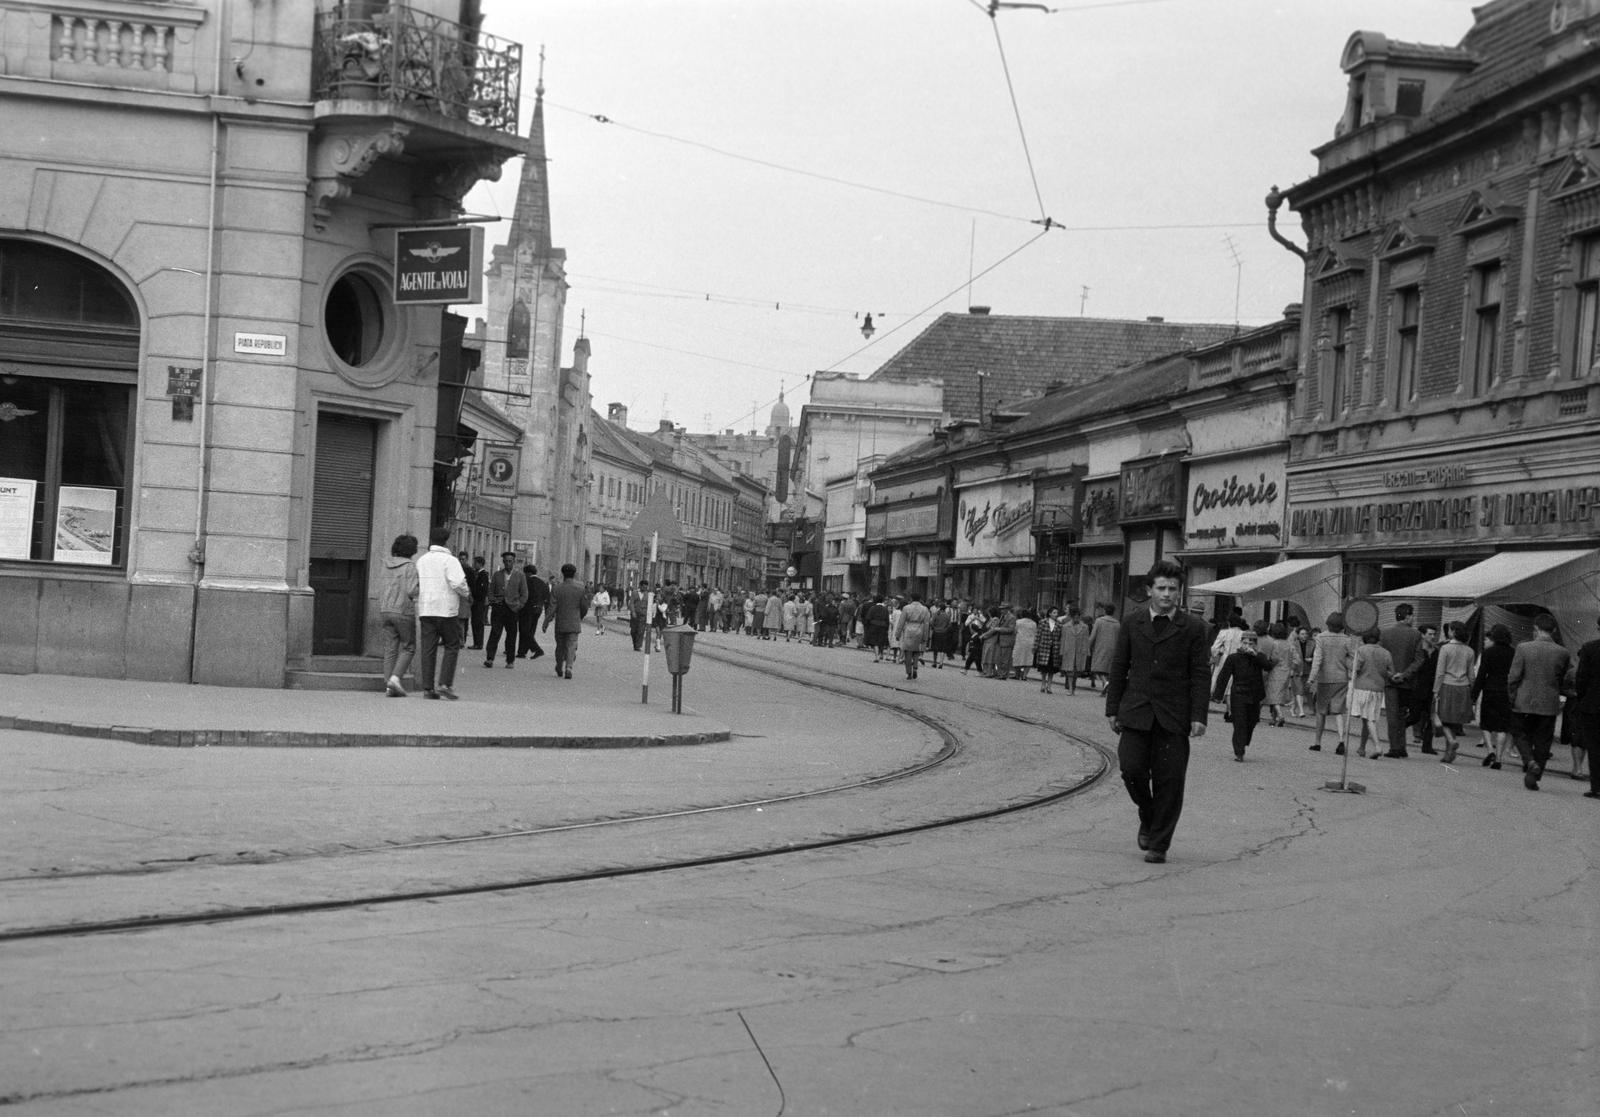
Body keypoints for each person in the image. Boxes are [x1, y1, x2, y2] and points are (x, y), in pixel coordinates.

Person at [1105, 559, 1210, 864]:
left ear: (1180, 592)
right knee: (1131, 769)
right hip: (1136, 712)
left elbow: (1200, 673)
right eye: (1161, 588)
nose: (1166, 594)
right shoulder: (1132, 623)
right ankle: (1147, 815)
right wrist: (1113, 708)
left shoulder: (1192, 628)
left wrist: (1198, 716)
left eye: (1172, 589)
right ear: (1149, 590)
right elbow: (1120, 666)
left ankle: (1159, 844)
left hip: (1174, 716)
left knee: (1170, 780)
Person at [1507, 614, 1575, 790]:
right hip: (1549, 703)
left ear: (1536, 629)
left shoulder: (1523, 648)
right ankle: (1534, 774)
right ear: (1553, 630)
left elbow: (1514, 677)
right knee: (1543, 740)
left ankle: (1529, 760)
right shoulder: (1563, 652)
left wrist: (1512, 696)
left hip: (1524, 700)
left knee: (1520, 733)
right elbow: (1565, 678)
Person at [415, 526, 469, 700]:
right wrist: (466, 593)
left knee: (428, 648)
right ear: (446, 541)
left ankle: (428, 688)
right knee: (452, 644)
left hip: (426, 609)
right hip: (446, 610)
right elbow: (458, 583)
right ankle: (445, 683)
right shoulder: (450, 560)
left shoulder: (421, 560)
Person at [1212, 628, 1269, 760]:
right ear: (1240, 643)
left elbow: (1268, 666)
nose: (1247, 646)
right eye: (1245, 643)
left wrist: (1255, 655)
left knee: (1252, 721)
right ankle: (1239, 751)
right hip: (1238, 694)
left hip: (1254, 695)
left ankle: (1243, 742)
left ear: (1255, 645)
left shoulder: (1259, 657)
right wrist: (1218, 695)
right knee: (1240, 723)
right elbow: (1223, 676)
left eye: (1250, 644)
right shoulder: (1234, 658)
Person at [1307, 612, 1358, 754]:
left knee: (1321, 711)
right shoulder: (1347, 639)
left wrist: (1311, 678)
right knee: (1339, 711)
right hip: (1341, 678)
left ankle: (1317, 742)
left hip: (1324, 679)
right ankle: (1341, 740)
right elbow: (1354, 658)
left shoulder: (1321, 638)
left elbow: (1317, 660)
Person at [1378, 603, 1424, 757]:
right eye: (1412, 615)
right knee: (1402, 714)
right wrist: (1404, 674)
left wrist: (1391, 674)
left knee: (1392, 715)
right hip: (1407, 682)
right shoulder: (1416, 635)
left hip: (1390, 682)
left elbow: (1381, 658)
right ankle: (1402, 746)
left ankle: (1394, 747)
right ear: (1408, 616)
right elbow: (1419, 660)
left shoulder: (1384, 634)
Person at [377, 533, 419, 697]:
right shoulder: (410, 566)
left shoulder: (385, 564)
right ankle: (395, 679)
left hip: (385, 609)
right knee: (409, 647)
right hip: (403, 610)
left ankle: (388, 684)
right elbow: (412, 590)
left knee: (390, 648)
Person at [1433, 621, 1477, 763]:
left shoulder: (1445, 649)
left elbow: (1440, 672)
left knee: (1442, 717)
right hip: (1463, 687)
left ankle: (1451, 741)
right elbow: (1471, 675)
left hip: (1446, 684)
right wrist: (1472, 689)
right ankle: (1449, 754)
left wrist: (1435, 690)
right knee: (1454, 721)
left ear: (1453, 632)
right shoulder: (1470, 651)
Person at [1473, 623, 1515, 769]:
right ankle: (1498, 758)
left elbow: (1481, 676)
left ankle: (1490, 749)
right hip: (1506, 691)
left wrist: (1474, 694)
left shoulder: (1488, 652)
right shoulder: (1513, 652)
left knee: (1486, 723)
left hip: (1490, 689)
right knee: (1502, 726)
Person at [542, 563, 593, 680]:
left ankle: (559, 665)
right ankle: (569, 667)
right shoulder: (580, 589)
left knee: (560, 646)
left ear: (562, 574)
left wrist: (546, 621)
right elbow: (584, 607)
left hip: (561, 622)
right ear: (574, 574)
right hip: (574, 622)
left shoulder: (557, 588)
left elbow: (552, 607)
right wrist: (579, 617)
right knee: (571, 645)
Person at [1349, 630, 1394, 759]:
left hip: (1362, 687)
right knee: (1367, 718)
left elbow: (1355, 668)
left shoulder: (1361, 650)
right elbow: (1391, 672)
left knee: (1369, 719)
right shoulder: (1386, 653)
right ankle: (1362, 747)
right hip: (1378, 688)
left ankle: (1378, 747)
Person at [1569, 618, 1600, 800]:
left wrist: (1583, 698)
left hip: (1592, 705)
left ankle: (1596, 787)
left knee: (1594, 747)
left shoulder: (1589, 648)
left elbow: (1581, 679)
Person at [483, 551, 527, 668]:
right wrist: (493, 601)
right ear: (503, 562)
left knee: (511, 635)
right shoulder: (497, 575)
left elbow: (524, 594)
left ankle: (510, 660)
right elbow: (490, 591)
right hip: (499, 608)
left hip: (512, 609)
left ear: (514, 562)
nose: (508, 563)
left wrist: (519, 606)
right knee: (495, 633)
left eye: (510, 561)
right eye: (506, 561)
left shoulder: (520, 576)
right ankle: (490, 658)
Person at [895, 592, 932, 680]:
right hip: (920, 629)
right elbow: (927, 624)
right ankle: (915, 667)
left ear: (911, 599)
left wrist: (898, 633)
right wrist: (925, 637)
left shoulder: (906, 608)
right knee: (916, 651)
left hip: (909, 630)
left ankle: (909, 672)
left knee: (908, 651)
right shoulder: (925, 609)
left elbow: (901, 622)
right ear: (920, 599)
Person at [1087, 603, 1119, 690]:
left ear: (1105, 611)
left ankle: (1105, 683)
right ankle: (1105, 687)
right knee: (1108, 669)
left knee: (1097, 668)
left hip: (1100, 647)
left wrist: (1088, 646)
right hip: (1113, 648)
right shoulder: (1117, 623)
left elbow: (1093, 635)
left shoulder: (1099, 621)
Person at [522, 563, 549, 660]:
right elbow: (547, 598)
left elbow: (524, 595)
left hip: (527, 609)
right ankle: (522, 651)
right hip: (538, 610)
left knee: (525, 631)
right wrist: (547, 613)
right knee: (531, 630)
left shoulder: (527, 582)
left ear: (528, 573)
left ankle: (536, 649)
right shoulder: (543, 583)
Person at [1034, 606, 1064, 694]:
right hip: (1044, 647)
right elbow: (1038, 635)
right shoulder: (1043, 622)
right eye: (1054, 613)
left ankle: (1049, 685)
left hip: (1054, 648)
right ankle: (1043, 683)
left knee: (1051, 668)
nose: (1056, 615)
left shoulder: (1059, 625)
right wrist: (1035, 646)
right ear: (1050, 613)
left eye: (1057, 613)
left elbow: (1060, 637)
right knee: (1044, 668)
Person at [466, 555, 489, 650]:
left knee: (478, 622)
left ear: (480, 564)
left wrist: (474, 593)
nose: (474, 564)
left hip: (479, 602)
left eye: (475, 563)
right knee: (474, 622)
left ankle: (479, 643)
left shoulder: (483, 575)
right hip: (475, 602)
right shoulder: (476, 573)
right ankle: (476, 642)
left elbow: (482, 589)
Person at [1012, 608, 1037, 681]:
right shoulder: (1033, 623)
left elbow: (1015, 631)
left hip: (1020, 641)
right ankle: (1024, 675)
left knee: (1017, 657)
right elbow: (1035, 633)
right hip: (1030, 642)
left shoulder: (1018, 622)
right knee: (1028, 659)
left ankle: (1017, 674)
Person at [863, 595, 891, 661]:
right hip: (883, 626)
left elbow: (868, 618)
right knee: (881, 641)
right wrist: (887, 628)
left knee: (874, 642)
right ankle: (880, 654)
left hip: (874, 626)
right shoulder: (885, 609)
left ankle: (876, 656)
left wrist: (867, 625)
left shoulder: (873, 608)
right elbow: (887, 620)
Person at [628, 580, 651, 652]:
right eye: (644, 587)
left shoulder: (648, 595)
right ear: (640, 586)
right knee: (633, 630)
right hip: (635, 614)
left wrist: (649, 615)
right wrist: (633, 612)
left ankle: (638, 645)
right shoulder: (634, 593)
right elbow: (631, 603)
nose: (645, 588)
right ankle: (635, 643)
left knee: (641, 630)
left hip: (643, 615)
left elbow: (649, 605)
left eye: (646, 587)